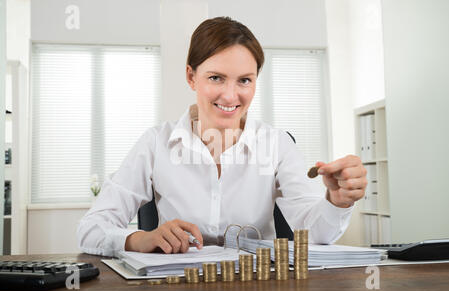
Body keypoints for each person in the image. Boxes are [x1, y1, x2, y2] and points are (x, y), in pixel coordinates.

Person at [77, 17, 367, 258]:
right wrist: (139, 239)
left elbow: (314, 235)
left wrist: (336, 202)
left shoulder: (277, 144)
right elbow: (91, 229)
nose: (231, 96)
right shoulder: (156, 143)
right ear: (191, 77)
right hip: (176, 287)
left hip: (258, 288)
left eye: (244, 80)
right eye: (216, 78)